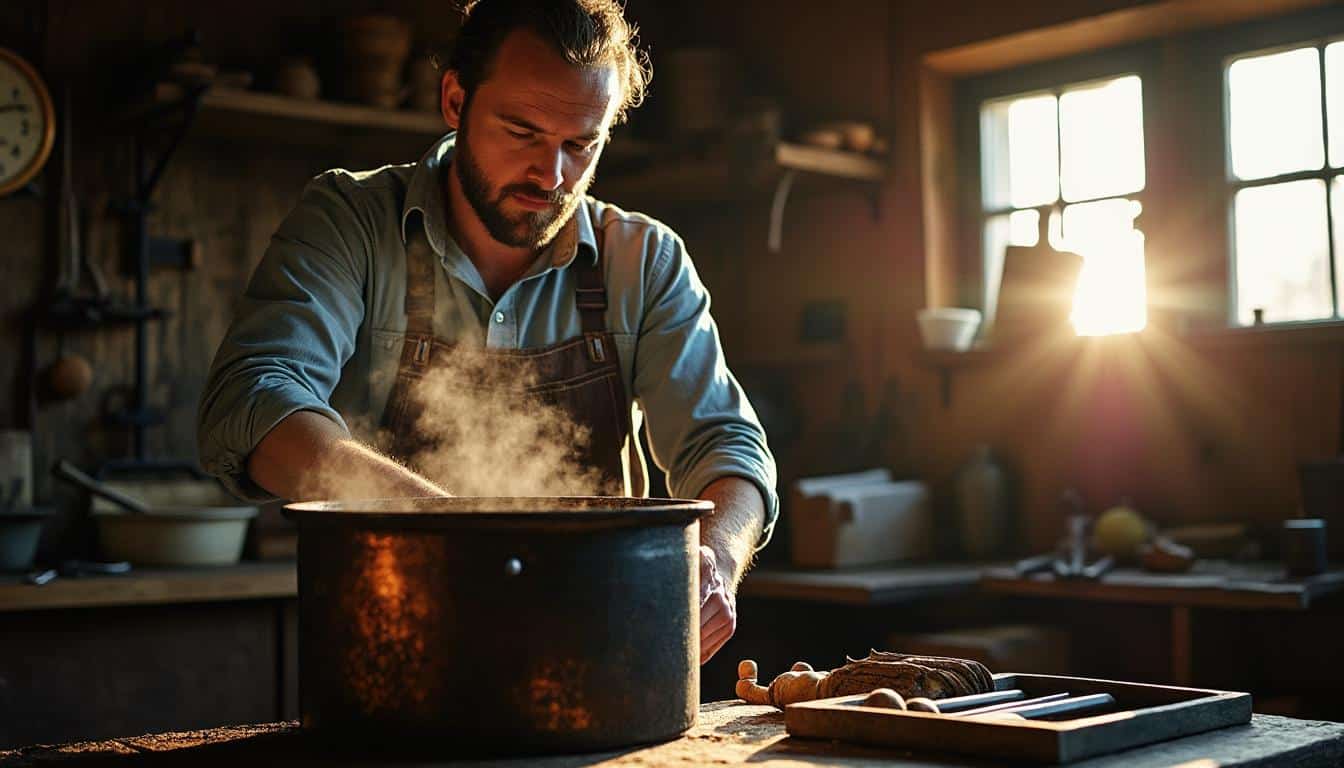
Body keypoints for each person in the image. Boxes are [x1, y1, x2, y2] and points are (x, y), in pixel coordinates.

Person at [197, 0, 776, 665]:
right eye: (522, 130)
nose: (550, 175)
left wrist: (719, 557)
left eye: (579, 144)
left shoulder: (645, 261)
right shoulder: (349, 221)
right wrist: (454, 534)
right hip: (386, 651)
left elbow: (726, 442)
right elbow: (254, 395)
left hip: (597, 660)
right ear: (454, 99)